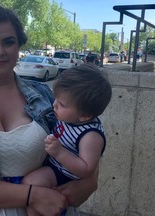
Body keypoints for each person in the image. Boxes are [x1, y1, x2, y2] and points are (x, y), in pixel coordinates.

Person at [0, 4, 98, 216]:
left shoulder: (49, 98)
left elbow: (87, 147)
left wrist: (86, 184)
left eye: (8, 42)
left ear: (18, 46)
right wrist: (33, 195)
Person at [23, 64, 112, 216]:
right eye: (56, 98)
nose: (54, 105)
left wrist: (60, 153)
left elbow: (86, 170)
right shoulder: (71, 117)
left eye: (62, 104)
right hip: (55, 166)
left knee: (32, 184)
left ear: (85, 115)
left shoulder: (91, 135)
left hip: (64, 175)